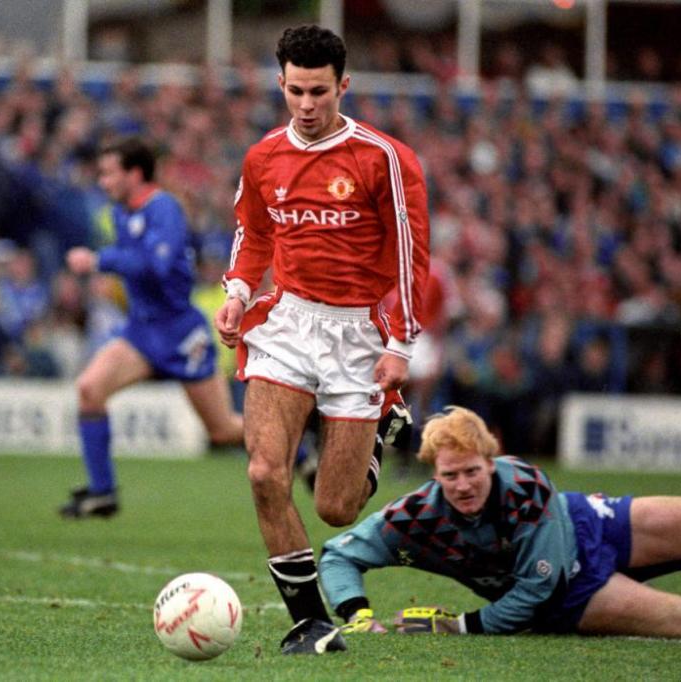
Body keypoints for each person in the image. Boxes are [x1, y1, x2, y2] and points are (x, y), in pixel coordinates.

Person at [214, 25, 429, 654]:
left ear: (344, 86)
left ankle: (376, 432)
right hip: (286, 324)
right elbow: (253, 235)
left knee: (336, 507)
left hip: (360, 333)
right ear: (280, 83)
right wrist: (236, 293)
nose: (306, 105)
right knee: (262, 473)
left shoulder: (384, 158)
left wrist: (401, 345)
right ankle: (309, 623)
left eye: (319, 92)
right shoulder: (262, 157)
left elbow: (412, 256)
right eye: (296, 91)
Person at [318, 407, 681, 639]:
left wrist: (461, 625)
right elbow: (339, 553)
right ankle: (641, 604)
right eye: (450, 476)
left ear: (491, 461)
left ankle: (634, 589)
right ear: (435, 475)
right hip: (569, 593)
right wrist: (357, 615)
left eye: (473, 472)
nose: (463, 485)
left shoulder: (523, 482)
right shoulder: (417, 515)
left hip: (586, 522)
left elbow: (537, 581)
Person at [59, 136, 243, 519]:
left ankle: (301, 446)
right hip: (142, 333)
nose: (103, 182)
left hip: (179, 333)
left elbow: (155, 265)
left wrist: (100, 260)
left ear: (135, 173)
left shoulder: (164, 209)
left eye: (109, 173)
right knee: (90, 390)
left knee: (223, 431)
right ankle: (102, 492)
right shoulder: (123, 213)